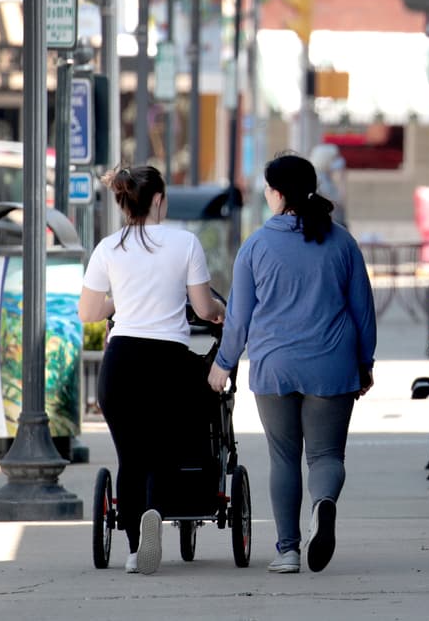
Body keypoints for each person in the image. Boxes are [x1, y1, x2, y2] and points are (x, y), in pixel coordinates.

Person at [208, 152, 376, 575]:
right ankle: (323, 505)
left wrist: (223, 363)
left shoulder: (256, 246)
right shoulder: (342, 242)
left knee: (283, 458)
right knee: (326, 457)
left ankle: (287, 551)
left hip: (274, 366)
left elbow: (240, 317)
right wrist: (365, 363)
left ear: (279, 194)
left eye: (267, 188)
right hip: (332, 365)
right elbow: (363, 312)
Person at [78, 165, 225, 576]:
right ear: (159, 199)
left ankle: (131, 548)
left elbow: (88, 312)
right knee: (162, 454)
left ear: (124, 201)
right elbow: (202, 308)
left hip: (121, 362)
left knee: (130, 457)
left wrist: (118, 304)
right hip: (169, 362)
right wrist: (219, 315)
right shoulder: (185, 243)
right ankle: (155, 514)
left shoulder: (108, 248)